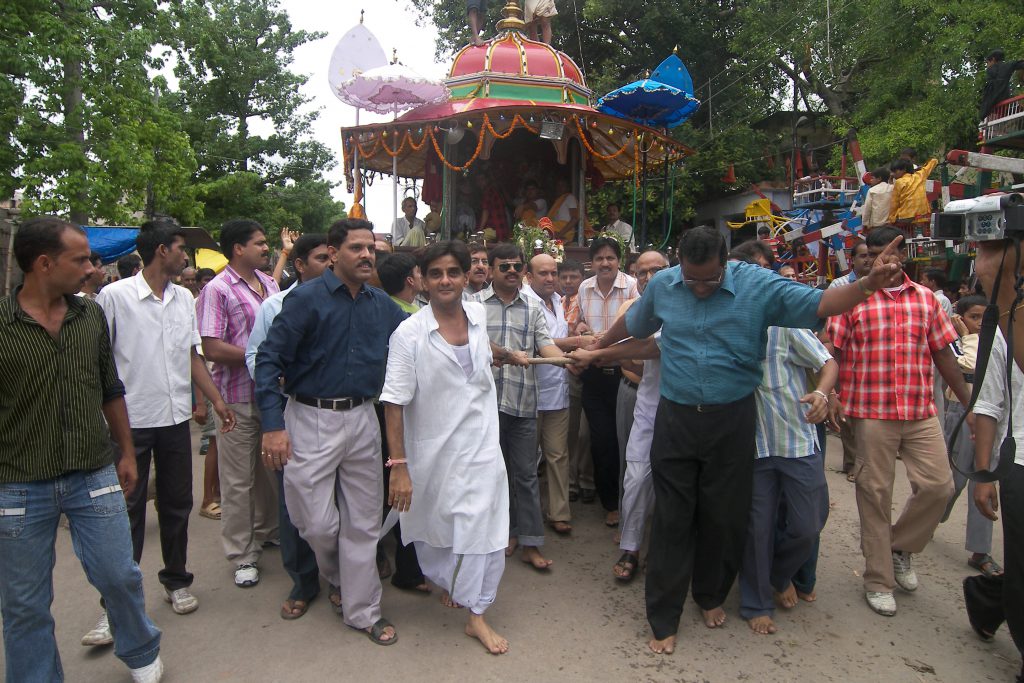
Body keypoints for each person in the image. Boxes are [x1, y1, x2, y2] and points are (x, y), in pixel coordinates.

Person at [591, 224, 907, 654]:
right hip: (677, 419)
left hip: (733, 419)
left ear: (726, 263)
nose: (699, 288)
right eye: (692, 279)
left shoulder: (758, 285)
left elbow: (823, 302)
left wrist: (867, 284)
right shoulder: (665, 283)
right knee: (672, 518)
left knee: (722, 516)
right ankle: (663, 617)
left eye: (710, 279)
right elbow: (636, 321)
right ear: (679, 264)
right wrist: (599, 345)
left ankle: (709, 595)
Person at [0, 216, 163, 683]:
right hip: (18, 485)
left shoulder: (89, 315)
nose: (92, 268)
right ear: (45, 263)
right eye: (81, 260)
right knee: (25, 603)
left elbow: (110, 389)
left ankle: (140, 649)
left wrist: (127, 453)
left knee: (120, 576)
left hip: (93, 473)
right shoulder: (2, 324)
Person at [256, 218, 405, 646]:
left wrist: (480, 347)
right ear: (334, 252)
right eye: (356, 248)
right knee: (316, 521)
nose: (365, 255)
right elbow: (268, 361)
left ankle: (363, 611)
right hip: (309, 418)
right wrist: (272, 426)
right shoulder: (305, 300)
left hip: (362, 418)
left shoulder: (382, 305)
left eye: (370, 249)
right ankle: (339, 574)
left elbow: (419, 340)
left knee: (362, 521)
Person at [93, 219, 235, 633]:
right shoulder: (115, 297)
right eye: (179, 248)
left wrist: (215, 401)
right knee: (128, 511)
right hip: (130, 422)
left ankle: (176, 580)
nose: (185, 257)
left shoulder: (183, 300)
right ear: (161, 251)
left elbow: (192, 356)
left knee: (176, 505)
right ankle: (115, 603)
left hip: (173, 421)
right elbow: (101, 363)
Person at [828, 226, 970, 617]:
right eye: (873, 252)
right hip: (872, 412)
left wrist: (968, 401)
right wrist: (832, 393)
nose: (881, 259)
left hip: (919, 409)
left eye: (889, 252)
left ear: (903, 254)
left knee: (939, 487)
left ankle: (900, 547)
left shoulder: (926, 300)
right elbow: (833, 352)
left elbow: (942, 353)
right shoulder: (853, 299)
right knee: (875, 493)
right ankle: (878, 578)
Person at [381, 240, 512, 654]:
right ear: (420, 279)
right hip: (436, 453)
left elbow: (481, 352)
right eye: (435, 273)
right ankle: (458, 583)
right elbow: (394, 401)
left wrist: (508, 354)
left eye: (453, 272)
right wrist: (399, 465)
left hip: (483, 445)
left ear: (467, 276)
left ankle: (477, 614)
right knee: (440, 527)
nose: (445, 280)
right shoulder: (409, 334)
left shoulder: (475, 313)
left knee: (485, 525)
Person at [244, 233, 330, 620]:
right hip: (289, 412)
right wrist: (278, 390)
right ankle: (303, 580)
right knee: (293, 501)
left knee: (339, 503)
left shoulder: (350, 300)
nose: (331, 264)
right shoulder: (275, 306)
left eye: (332, 257)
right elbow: (257, 355)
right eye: (322, 258)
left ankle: (343, 578)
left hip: (339, 415)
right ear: (300, 265)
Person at [571, 250, 669, 582]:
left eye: (657, 271)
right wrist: (596, 352)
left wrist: (597, 352)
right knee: (637, 474)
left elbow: (649, 349)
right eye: (642, 273)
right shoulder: (639, 309)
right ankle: (631, 548)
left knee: (676, 481)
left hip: (687, 407)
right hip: (647, 400)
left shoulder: (682, 302)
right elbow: (633, 346)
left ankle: (668, 551)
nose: (649, 278)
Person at [196, 219, 280, 588]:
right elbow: (211, 347)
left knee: (268, 472)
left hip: (271, 397)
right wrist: (262, 356)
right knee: (238, 480)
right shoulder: (217, 289)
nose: (267, 248)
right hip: (237, 398)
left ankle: (266, 531)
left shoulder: (271, 284)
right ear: (238, 249)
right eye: (260, 244)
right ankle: (242, 554)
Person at [473, 242, 565, 570]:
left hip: (524, 404)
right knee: (493, 476)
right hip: (485, 406)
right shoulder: (474, 305)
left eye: (516, 266)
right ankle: (502, 536)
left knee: (525, 475)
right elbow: (473, 344)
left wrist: (567, 360)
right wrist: (508, 354)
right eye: (504, 266)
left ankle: (530, 542)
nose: (511, 271)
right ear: (492, 270)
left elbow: (546, 344)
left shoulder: (533, 307)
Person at [576, 236, 639, 526]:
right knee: (601, 441)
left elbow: (638, 331)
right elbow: (579, 321)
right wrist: (580, 327)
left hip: (625, 374)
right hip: (593, 375)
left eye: (610, 258)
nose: (605, 263)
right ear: (592, 262)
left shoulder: (632, 287)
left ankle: (631, 503)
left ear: (619, 260)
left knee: (626, 441)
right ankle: (610, 502)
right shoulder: (583, 288)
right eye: (599, 258)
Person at [940, 295, 1002, 576]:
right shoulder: (952, 340)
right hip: (962, 412)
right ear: (959, 317)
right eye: (973, 317)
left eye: (983, 318)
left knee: (983, 479)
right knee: (951, 481)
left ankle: (980, 549)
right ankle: (924, 520)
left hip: (992, 417)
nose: (979, 323)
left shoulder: (998, 336)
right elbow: (969, 364)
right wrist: (966, 336)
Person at [524, 253, 585, 535]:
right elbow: (538, 342)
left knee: (557, 454)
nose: (550, 279)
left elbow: (554, 340)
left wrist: (576, 343)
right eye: (543, 274)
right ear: (529, 275)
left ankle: (559, 512)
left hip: (558, 388)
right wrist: (574, 342)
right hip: (530, 391)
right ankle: (525, 519)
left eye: (553, 273)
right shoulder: (524, 303)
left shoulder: (558, 301)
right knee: (525, 460)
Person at [827, 239, 874, 479]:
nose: (867, 260)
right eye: (862, 256)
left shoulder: (882, 286)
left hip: (871, 361)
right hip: (847, 358)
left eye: (870, 255)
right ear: (853, 260)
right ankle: (852, 463)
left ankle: (863, 464)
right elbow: (833, 331)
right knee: (847, 416)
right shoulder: (840, 285)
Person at [558, 259, 595, 503]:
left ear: (582, 278)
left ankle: (587, 479)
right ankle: (570, 482)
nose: (569, 282)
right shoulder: (556, 303)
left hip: (591, 369)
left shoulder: (587, 302)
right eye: (565, 278)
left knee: (587, 432)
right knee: (569, 432)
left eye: (574, 277)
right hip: (566, 370)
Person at [888, 157, 938, 233]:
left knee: (899, 231)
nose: (892, 174)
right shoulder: (920, 175)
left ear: (904, 169)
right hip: (923, 216)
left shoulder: (899, 182)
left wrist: (891, 219)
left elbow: (895, 203)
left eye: (894, 171)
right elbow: (934, 161)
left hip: (906, 216)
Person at [980, 49, 1024, 121]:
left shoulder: (990, 71)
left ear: (993, 59)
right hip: (1004, 101)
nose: (987, 66)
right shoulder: (1008, 65)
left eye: (987, 63)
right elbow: (1019, 64)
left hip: (991, 107)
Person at [548, 178, 579, 242]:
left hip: (564, 234)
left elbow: (575, 218)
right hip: (556, 234)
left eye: (562, 185)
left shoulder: (570, 198)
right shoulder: (557, 201)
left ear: (567, 188)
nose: (560, 188)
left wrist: (560, 234)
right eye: (558, 185)